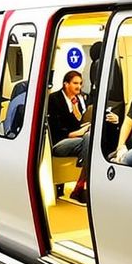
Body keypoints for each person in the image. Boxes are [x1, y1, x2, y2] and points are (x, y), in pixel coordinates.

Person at [46, 69, 92, 202]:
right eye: (75, 83)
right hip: (60, 141)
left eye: (80, 83)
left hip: (79, 139)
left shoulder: (82, 99)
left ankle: (80, 185)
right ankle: (81, 183)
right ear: (66, 84)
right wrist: (78, 133)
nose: (79, 86)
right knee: (89, 138)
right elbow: (56, 129)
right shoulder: (54, 99)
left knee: (91, 138)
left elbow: (80, 122)